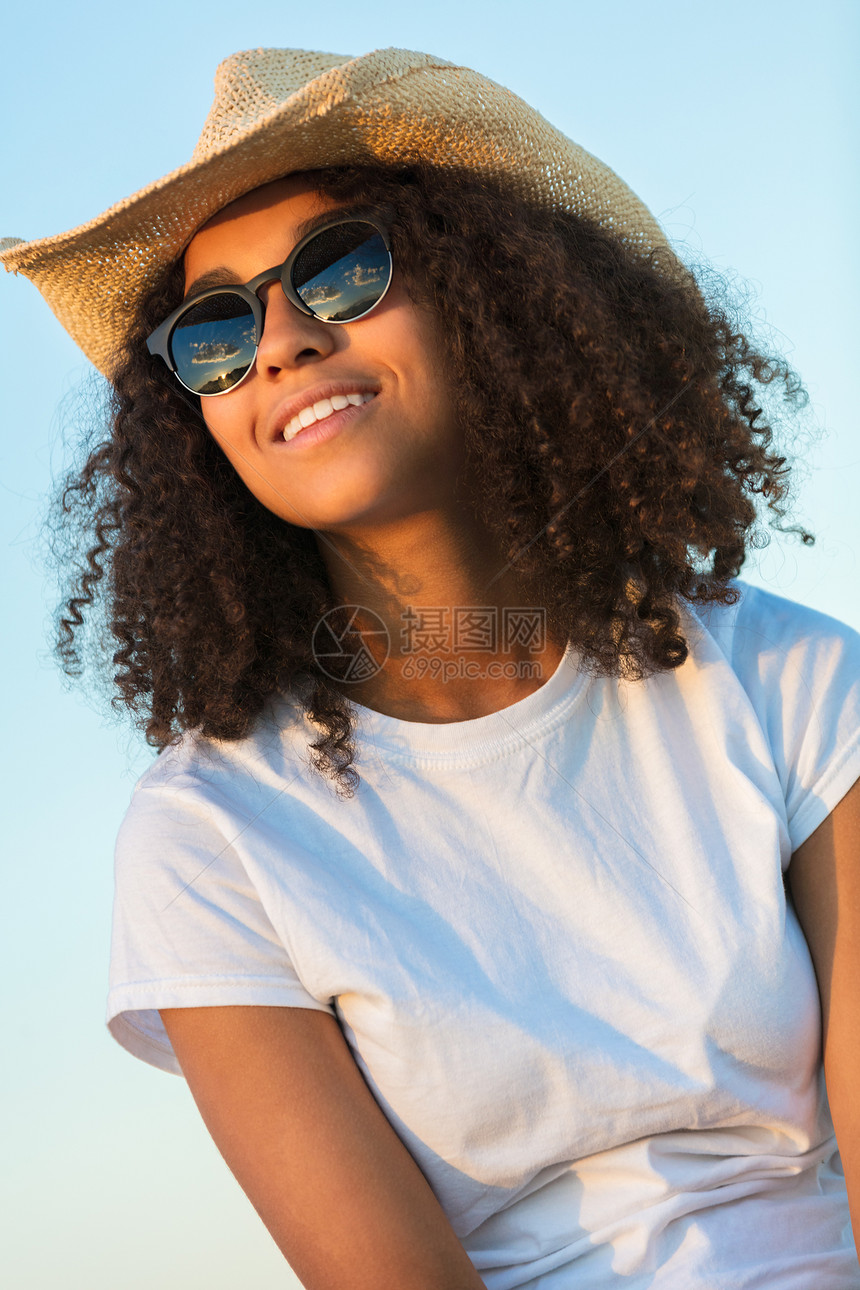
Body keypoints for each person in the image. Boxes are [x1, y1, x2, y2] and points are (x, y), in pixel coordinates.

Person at [4, 45, 859, 1290]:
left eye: (341, 271)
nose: (281, 345)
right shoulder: (213, 836)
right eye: (214, 331)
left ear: (488, 295)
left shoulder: (782, 678)